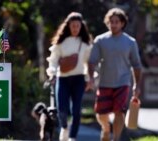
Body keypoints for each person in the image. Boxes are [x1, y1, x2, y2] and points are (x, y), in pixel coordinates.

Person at [86, 8, 142, 141]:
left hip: (123, 83)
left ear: (122, 23)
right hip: (104, 83)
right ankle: (105, 129)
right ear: (108, 23)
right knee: (101, 113)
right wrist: (90, 78)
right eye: (111, 22)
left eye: (117, 22)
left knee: (119, 112)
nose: (113, 24)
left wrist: (136, 85)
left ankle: (116, 138)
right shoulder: (100, 40)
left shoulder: (130, 42)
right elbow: (92, 61)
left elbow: (136, 65)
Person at [46, 12, 92, 141]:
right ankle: (64, 128)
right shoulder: (60, 43)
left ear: (81, 26)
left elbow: (89, 63)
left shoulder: (85, 44)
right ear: (68, 26)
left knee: (76, 110)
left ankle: (72, 137)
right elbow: (53, 60)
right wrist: (52, 74)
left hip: (79, 79)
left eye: (78, 26)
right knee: (61, 108)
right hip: (63, 78)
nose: (75, 28)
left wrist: (89, 79)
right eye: (73, 26)